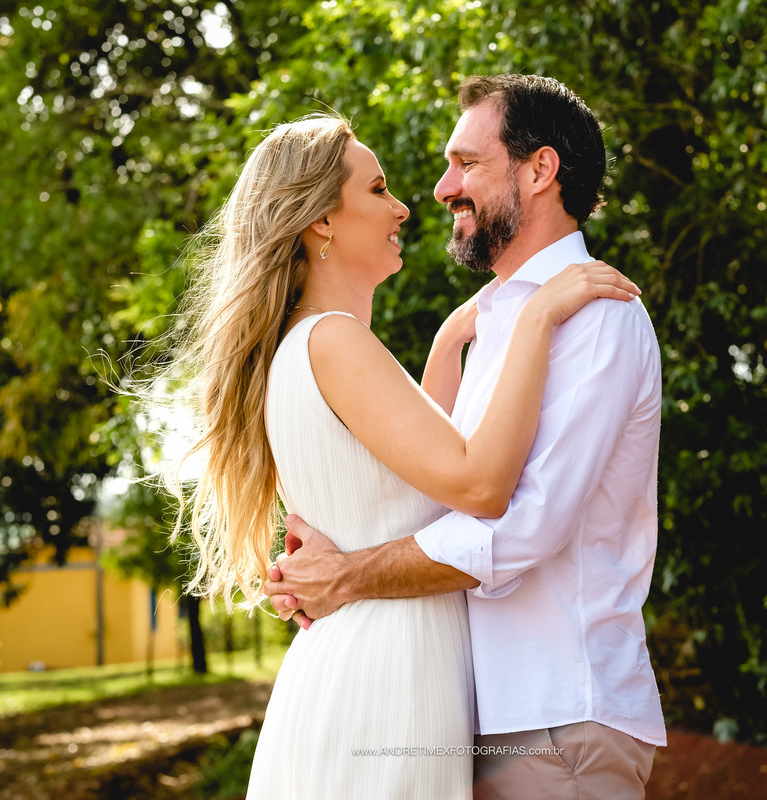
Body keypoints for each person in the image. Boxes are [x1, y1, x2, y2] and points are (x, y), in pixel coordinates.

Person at [149, 113, 639, 799]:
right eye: (377, 189)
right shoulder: (335, 342)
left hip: (371, 667)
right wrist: (535, 319)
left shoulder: (309, 346)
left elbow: (416, 474)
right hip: (383, 673)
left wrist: (446, 346)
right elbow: (477, 483)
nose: (405, 205)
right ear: (321, 220)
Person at [265, 75, 667, 799]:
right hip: (469, 715)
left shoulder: (596, 313)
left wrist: (350, 575)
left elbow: (520, 525)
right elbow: (444, 494)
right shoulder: (498, 324)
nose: (443, 186)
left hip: (557, 716)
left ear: (540, 170)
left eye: (468, 163)